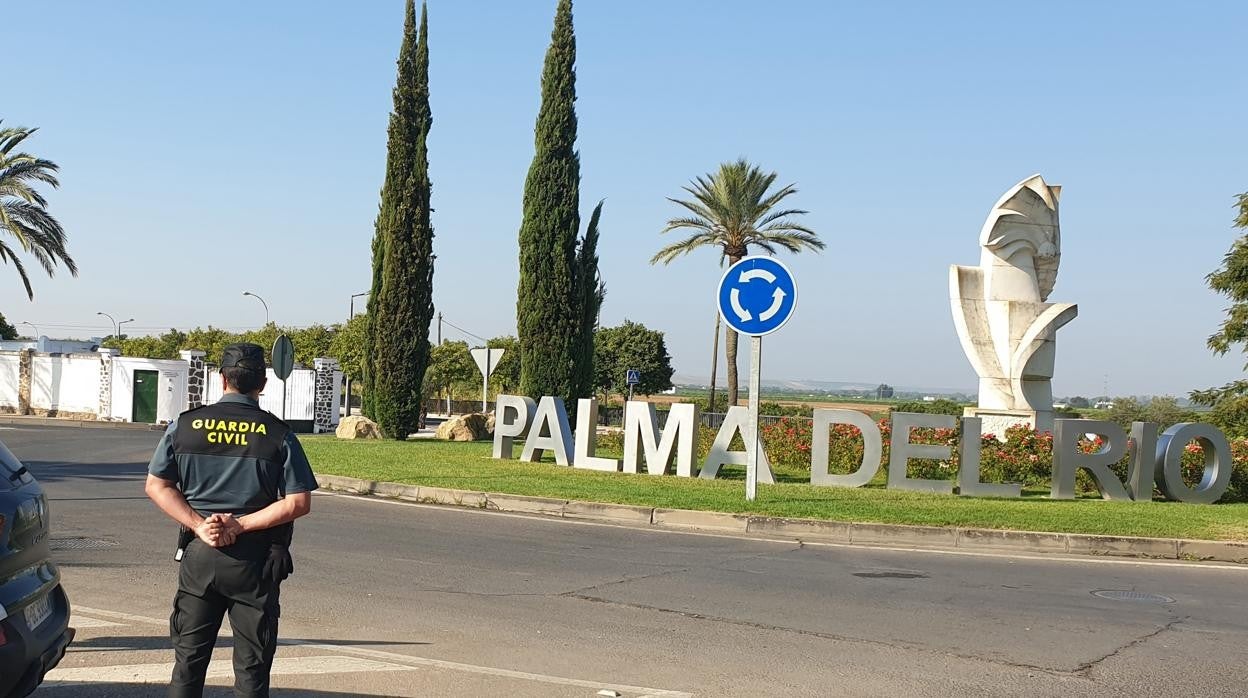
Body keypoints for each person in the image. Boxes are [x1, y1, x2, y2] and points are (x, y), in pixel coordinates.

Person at [145, 343, 317, 697]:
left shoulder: (184, 426)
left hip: (200, 557)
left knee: (188, 664)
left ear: (221, 379)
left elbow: (157, 485)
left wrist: (198, 524)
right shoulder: (279, 434)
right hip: (255, 563)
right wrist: (241, 525)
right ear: (263, 382)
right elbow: (298, 502)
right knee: (251, 669)